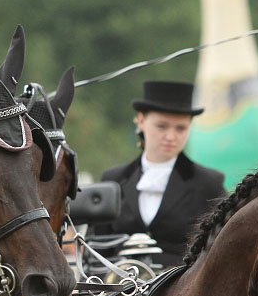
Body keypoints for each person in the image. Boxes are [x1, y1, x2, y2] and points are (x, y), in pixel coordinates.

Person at [94, 80, 226, 267]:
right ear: (141, 121)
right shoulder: (113, 180)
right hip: (121, 288)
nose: (171, 137)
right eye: (161, 126)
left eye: (181, 128)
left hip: (181, 290)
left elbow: (219, 247)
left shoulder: (208, 183)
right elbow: (99, 250)